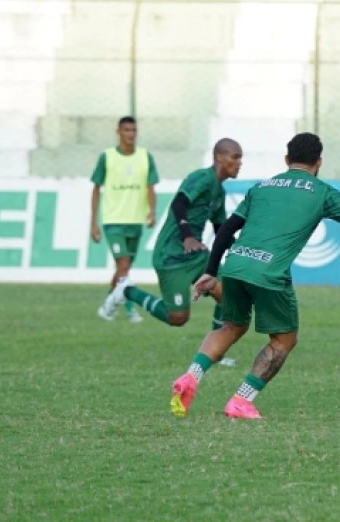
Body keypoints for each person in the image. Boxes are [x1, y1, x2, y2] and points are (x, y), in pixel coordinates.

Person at [170, 132, 340, 420]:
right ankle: (241, 400)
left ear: (287, 160)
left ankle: (191, 376)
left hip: (235, 264)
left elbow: (226, 229)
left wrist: (212, 272)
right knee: (284, 339)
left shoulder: (262, 187)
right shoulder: (322, 192)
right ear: (319, 162)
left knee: (231, 326)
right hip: (270, 272)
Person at [100, 138, 244, 367]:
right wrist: (187, 235)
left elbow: (220, 229)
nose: (239, 163)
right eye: (235, 157)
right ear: (219, 157)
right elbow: (179, 203)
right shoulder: (201, 178)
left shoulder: (219, 191)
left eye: (240, 158)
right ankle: (127, 291)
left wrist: (241, 251)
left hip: (196, 255)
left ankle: (216, 352)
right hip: (172, 256)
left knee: (227, 296)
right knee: (177, 318)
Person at [92, 116, 159, 323]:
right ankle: (130, 309)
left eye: (133, 130)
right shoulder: (107, 157)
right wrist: (93, 222)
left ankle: (107, 305)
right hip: (113, 221)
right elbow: (96, 189)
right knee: (122, 263)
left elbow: (150, 187)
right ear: (118, 132)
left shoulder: (145, 157)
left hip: (135, 221)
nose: (130, 134)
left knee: (124, 267)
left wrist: (151, 212)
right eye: (126, 130)